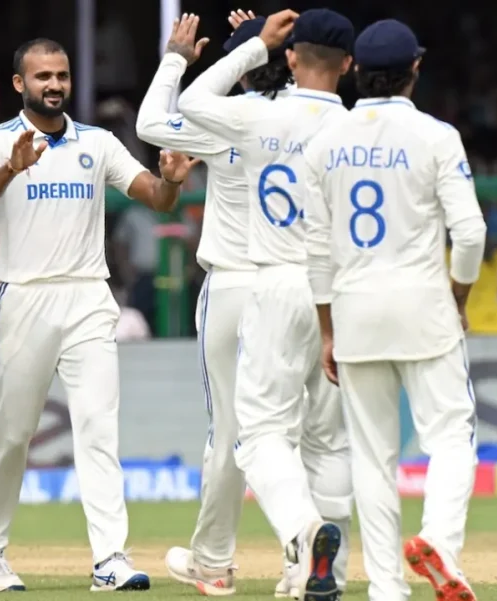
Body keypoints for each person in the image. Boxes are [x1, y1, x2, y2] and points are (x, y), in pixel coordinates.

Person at [0, 38, 199, 593]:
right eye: (42, 76)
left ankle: (110, 558)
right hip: (25, 294)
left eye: (62, 75)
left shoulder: (97, 143)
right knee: (13, 434)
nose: (54, 85)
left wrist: (172, 178)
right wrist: (10, 171)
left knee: (97, 426)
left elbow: (157, 199)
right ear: (20, 83)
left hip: (90, 295)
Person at [178, 9, 355, 600]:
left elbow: (190, 102)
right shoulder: (359, 131)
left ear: (292, 57)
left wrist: (252, 47)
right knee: (328, 438)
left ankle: (304, 538)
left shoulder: (262, 115)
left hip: (278, 282)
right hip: (344, 291)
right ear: (349, 65)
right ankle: (334, 569)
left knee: (258, 435)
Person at [305, 19, 484, 601]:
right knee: (452, 438)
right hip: (423, 307)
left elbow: (316, 249)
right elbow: (472, 234)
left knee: (373, 458)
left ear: (356, 70)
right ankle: (439, 543)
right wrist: (458, 298)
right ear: (414, 69)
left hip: (354, 311)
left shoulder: (326, 142)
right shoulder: (437, 135)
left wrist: (328, 332)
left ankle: (386, 588)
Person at [138, 11, 300, 596]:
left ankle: (213, 561)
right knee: (291, 429)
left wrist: (180, 57)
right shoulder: (312, 119)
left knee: (231, 430)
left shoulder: (229, 123)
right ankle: (298, 557)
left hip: (234, 286)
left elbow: (151, 122)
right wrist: (261, 40)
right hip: (298, 287)